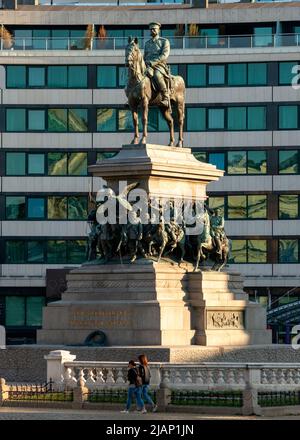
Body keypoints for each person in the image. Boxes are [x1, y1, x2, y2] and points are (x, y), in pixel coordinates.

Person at [144, 22, 171, 108]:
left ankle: (166, 97)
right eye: (151, 29)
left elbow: (164, 55)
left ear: (158, 30)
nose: (152, 31)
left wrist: (153, 62)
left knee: (157, 75)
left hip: (159, 66)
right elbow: (145, 56)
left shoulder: (164, 41)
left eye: (154, 29)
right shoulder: (147, 43)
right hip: (147, 66)